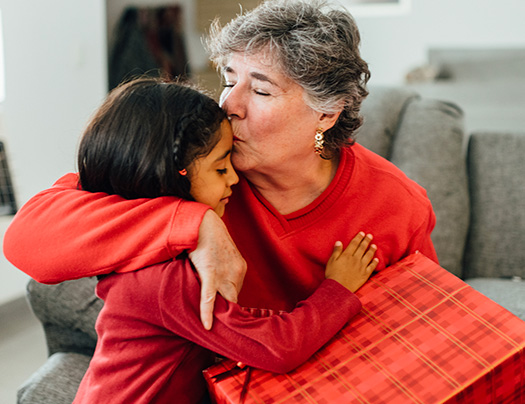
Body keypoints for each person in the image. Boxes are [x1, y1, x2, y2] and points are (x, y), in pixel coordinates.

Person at [4, 0, 437, 330]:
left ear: (327, 112)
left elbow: (426, 330)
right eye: (229, 80)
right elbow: (28, 239)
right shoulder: (197, 167)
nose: (229, 105)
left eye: (262, 91)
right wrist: (195, 225)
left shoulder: (395, 205)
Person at [65, 77, 378, 403]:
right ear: (173, 174)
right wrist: (337, 289)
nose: (233, 177)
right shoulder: (166, 279)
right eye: (219, 168)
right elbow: (277, 347)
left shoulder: (150, 248)